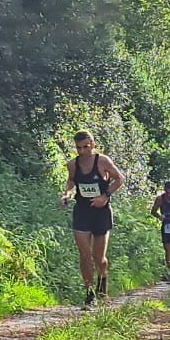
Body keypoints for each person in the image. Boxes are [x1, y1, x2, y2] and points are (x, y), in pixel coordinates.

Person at [59, 130, 124, 306]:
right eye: (79, 148)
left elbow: (119, 179)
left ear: (93, 144)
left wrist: (105, 196)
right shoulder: (72, 164)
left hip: (101, 213)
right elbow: (71, 181)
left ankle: (102, 280)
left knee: (98, 258)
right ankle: (89, 293)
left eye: (86, 147)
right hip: (82, 211)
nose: (82, 151)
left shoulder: (102, 161)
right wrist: (67, 194)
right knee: (84, 255)